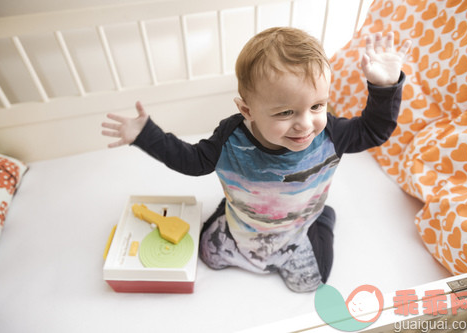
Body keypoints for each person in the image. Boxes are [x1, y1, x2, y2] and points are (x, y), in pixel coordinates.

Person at [101, 27, 411, 292]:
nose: (305, 124)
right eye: (286, 112)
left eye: (317, 105)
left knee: (312, 281)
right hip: (245, 227)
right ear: (247, 110)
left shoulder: (331, 134)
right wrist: (146, 135)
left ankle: (324, 220)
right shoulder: (230, 139)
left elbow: (373, 130)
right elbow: (192, 161)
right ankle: (229, 211)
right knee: (207, 253)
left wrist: (384, 88)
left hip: (298, 228)